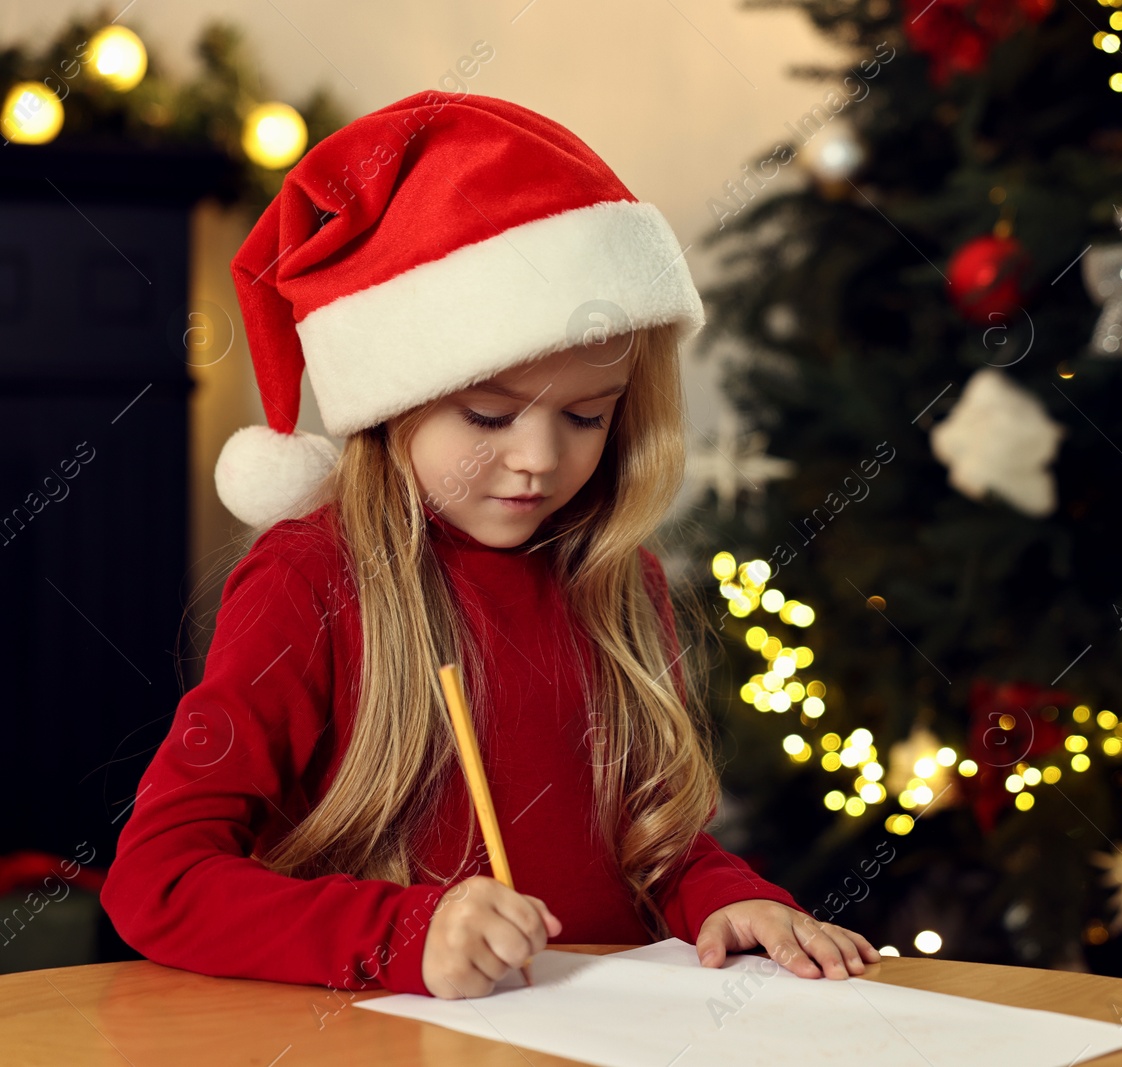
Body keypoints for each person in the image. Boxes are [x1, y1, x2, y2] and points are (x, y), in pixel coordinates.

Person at [100, 90, 878, 1000]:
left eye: (587, 416)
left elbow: (651, 851)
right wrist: (405, 933)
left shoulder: (620, 581)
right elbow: (157, 879)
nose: (540, 461)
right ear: (394, 402)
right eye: (488, 414)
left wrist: (726, 899)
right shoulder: (308, 581)